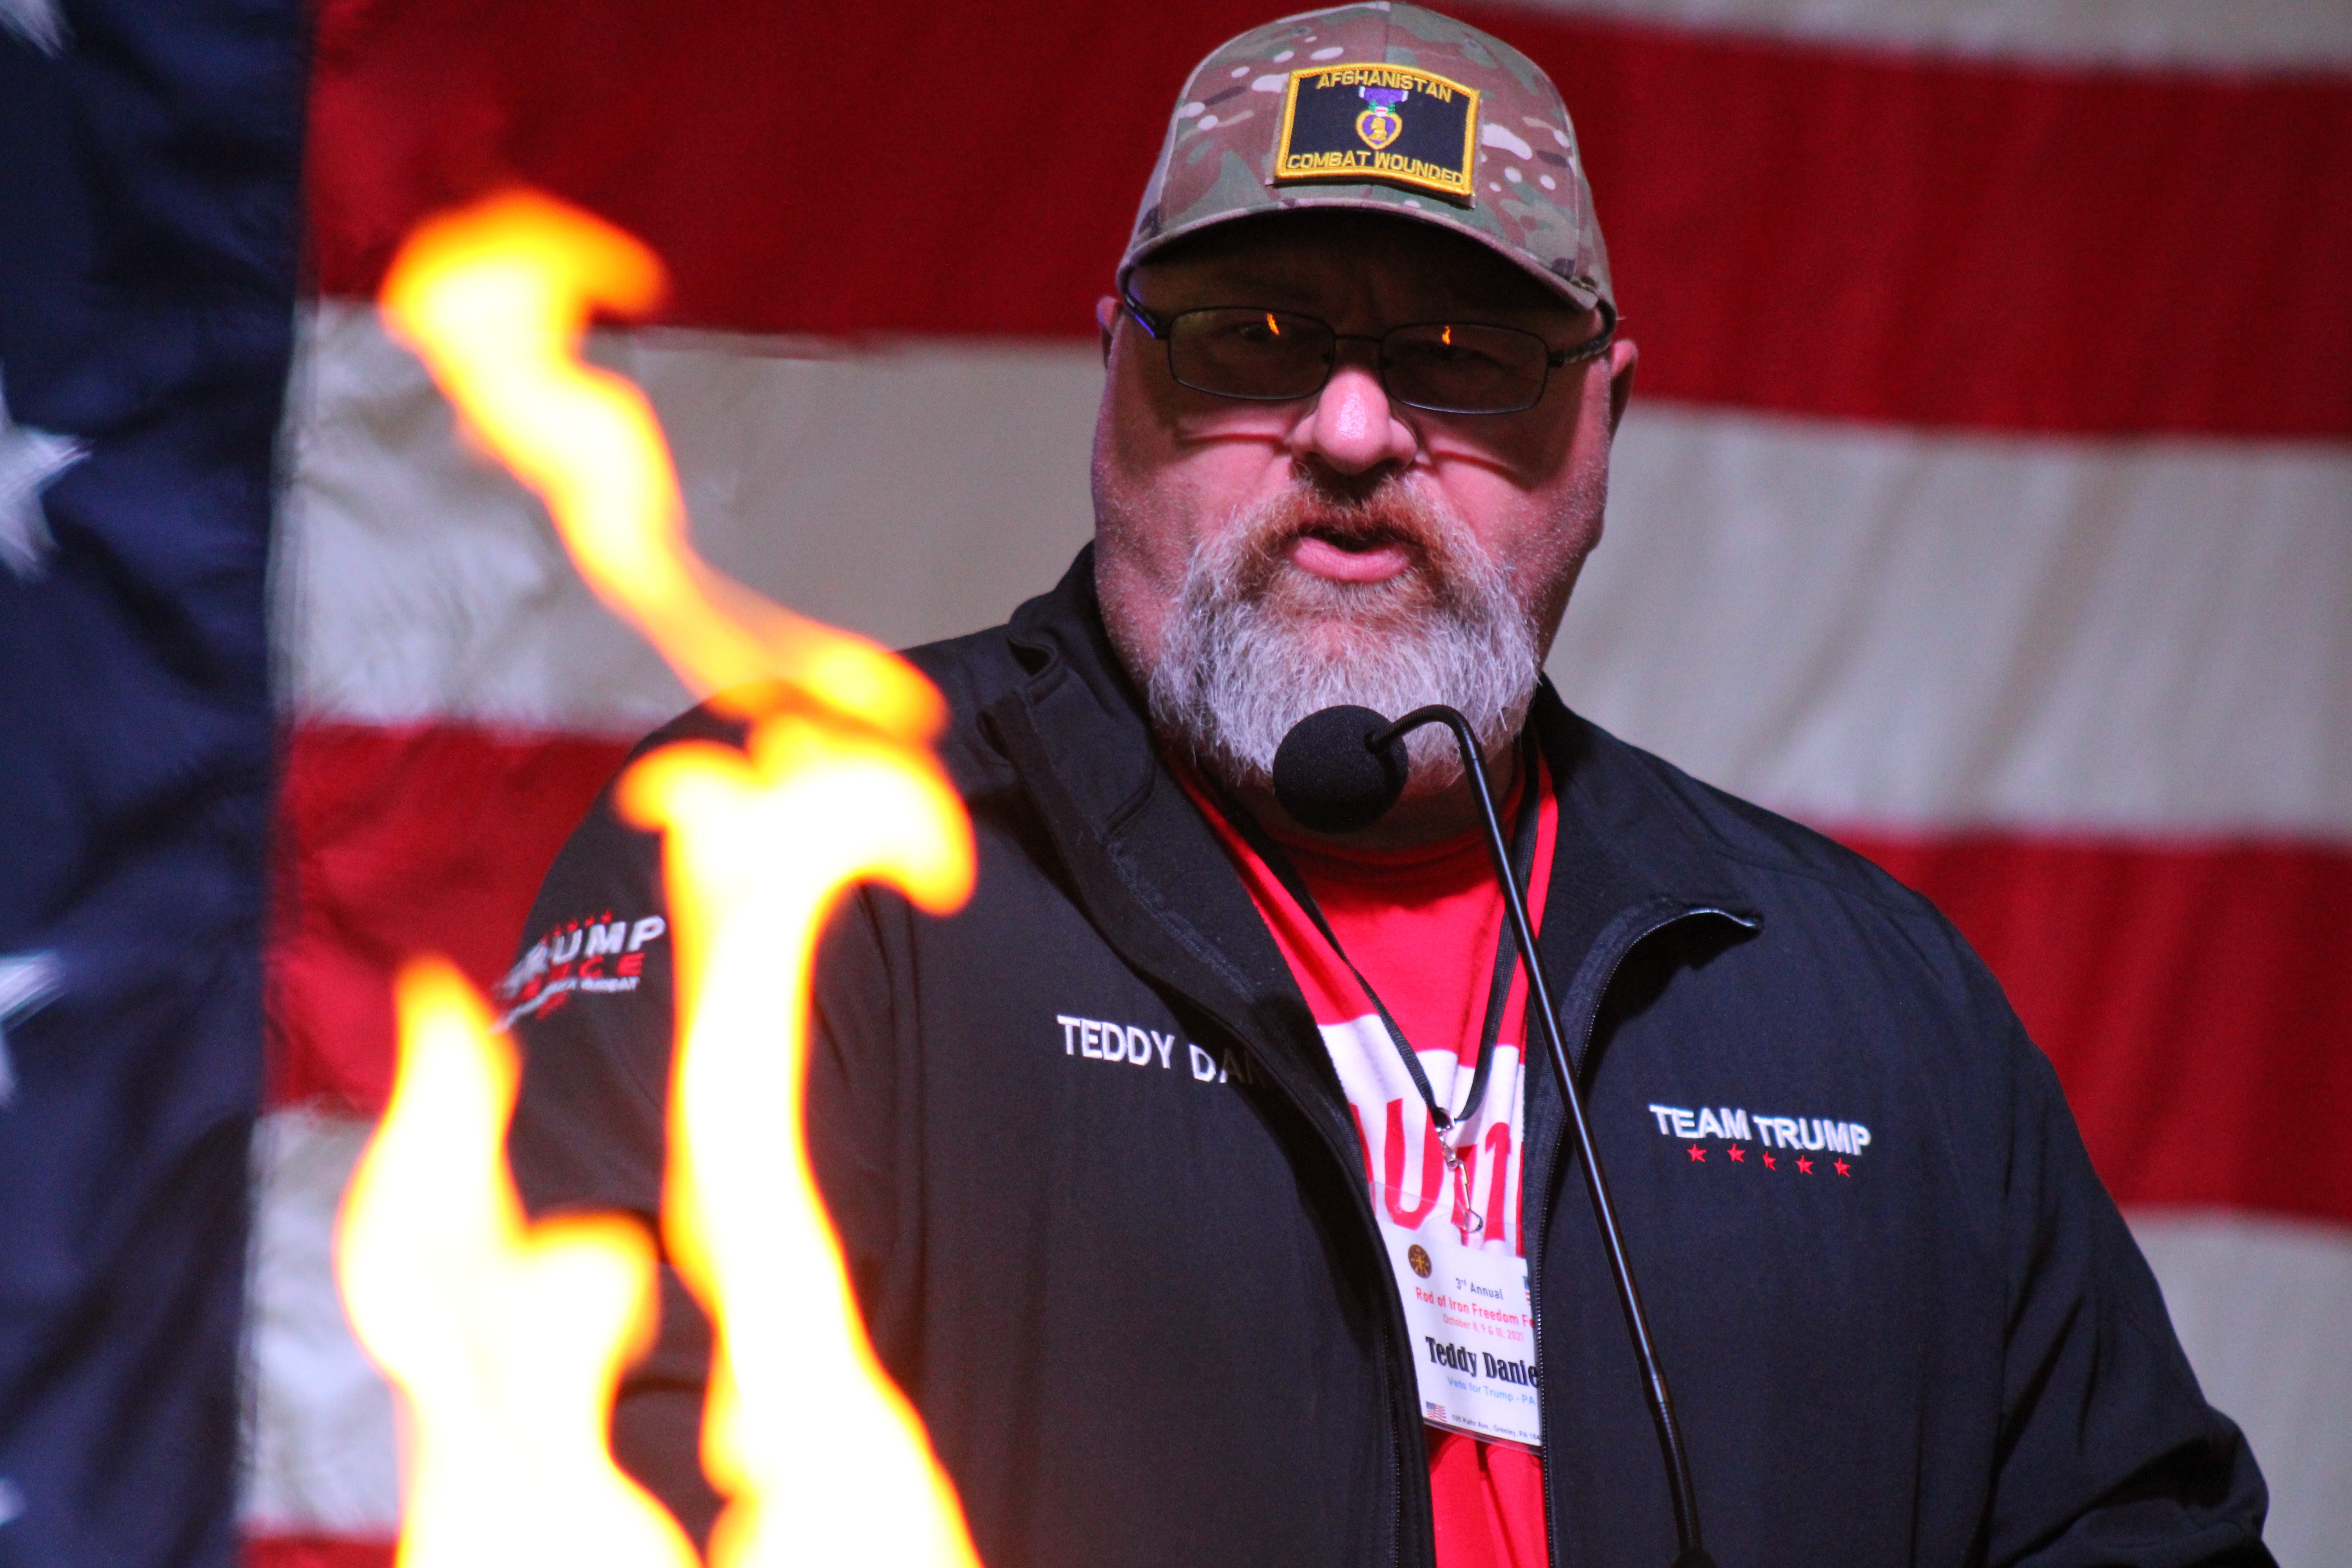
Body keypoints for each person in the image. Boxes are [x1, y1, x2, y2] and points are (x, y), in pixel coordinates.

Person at [497, 6, 2274, 1565]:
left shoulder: (1856, 1009)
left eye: (1463, 358)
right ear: (1115, 369)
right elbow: (578, 1479)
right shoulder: (791, 856)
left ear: (1602, 427)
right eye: (1254, 336)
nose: (1352, 433)